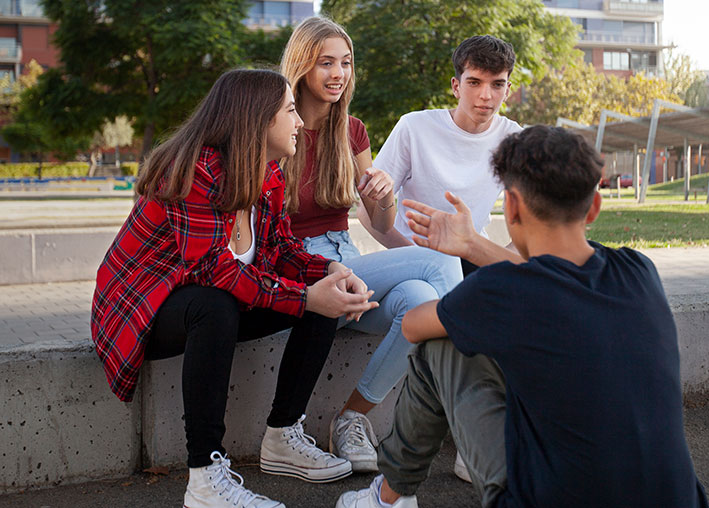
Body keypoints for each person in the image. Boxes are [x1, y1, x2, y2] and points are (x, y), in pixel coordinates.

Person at [336, 125, 709, 508]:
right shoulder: (638, 271)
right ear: (594, 206)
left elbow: (414, 326)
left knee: (439, 344)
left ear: (510, 208)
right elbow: (553, 281)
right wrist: (472, 245)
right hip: (680, 499)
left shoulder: (501, 292)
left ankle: (388, 498)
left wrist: (458, 274)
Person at [91, 69, 379, 508]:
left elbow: (282, 250)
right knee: (216, 304)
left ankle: (283, 436)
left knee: (322, 292)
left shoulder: (266, 174)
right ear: (257, 121)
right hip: (141, 311)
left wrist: (332, 270)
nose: (300, 122)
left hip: (207, 299)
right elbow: (213, 269)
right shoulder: (190, 171)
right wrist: (304, 297)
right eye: (289, 112)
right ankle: (205, 480)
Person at [278, 16, 463, 474]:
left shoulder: (353, 131)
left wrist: (383, 200)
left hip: (347, 258)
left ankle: (352, 417)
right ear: (301, 65)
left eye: (345, 62)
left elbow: (378, 220)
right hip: (301, 271)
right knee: (441, 262)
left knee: (421, 298)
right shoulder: (276, 125)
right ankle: (471, 418)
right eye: (325, 63)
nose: (338, 73)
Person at [358, 34, 522, 277]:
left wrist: (497, 265)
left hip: (474, 259)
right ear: (456, 86)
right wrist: (419, 261)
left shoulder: (514, 138)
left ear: (507, 90)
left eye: (497, 84)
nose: (486, 96)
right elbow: (365, 212)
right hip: (413, 258)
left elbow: (539, 221)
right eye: (474, 82)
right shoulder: (414, 127)